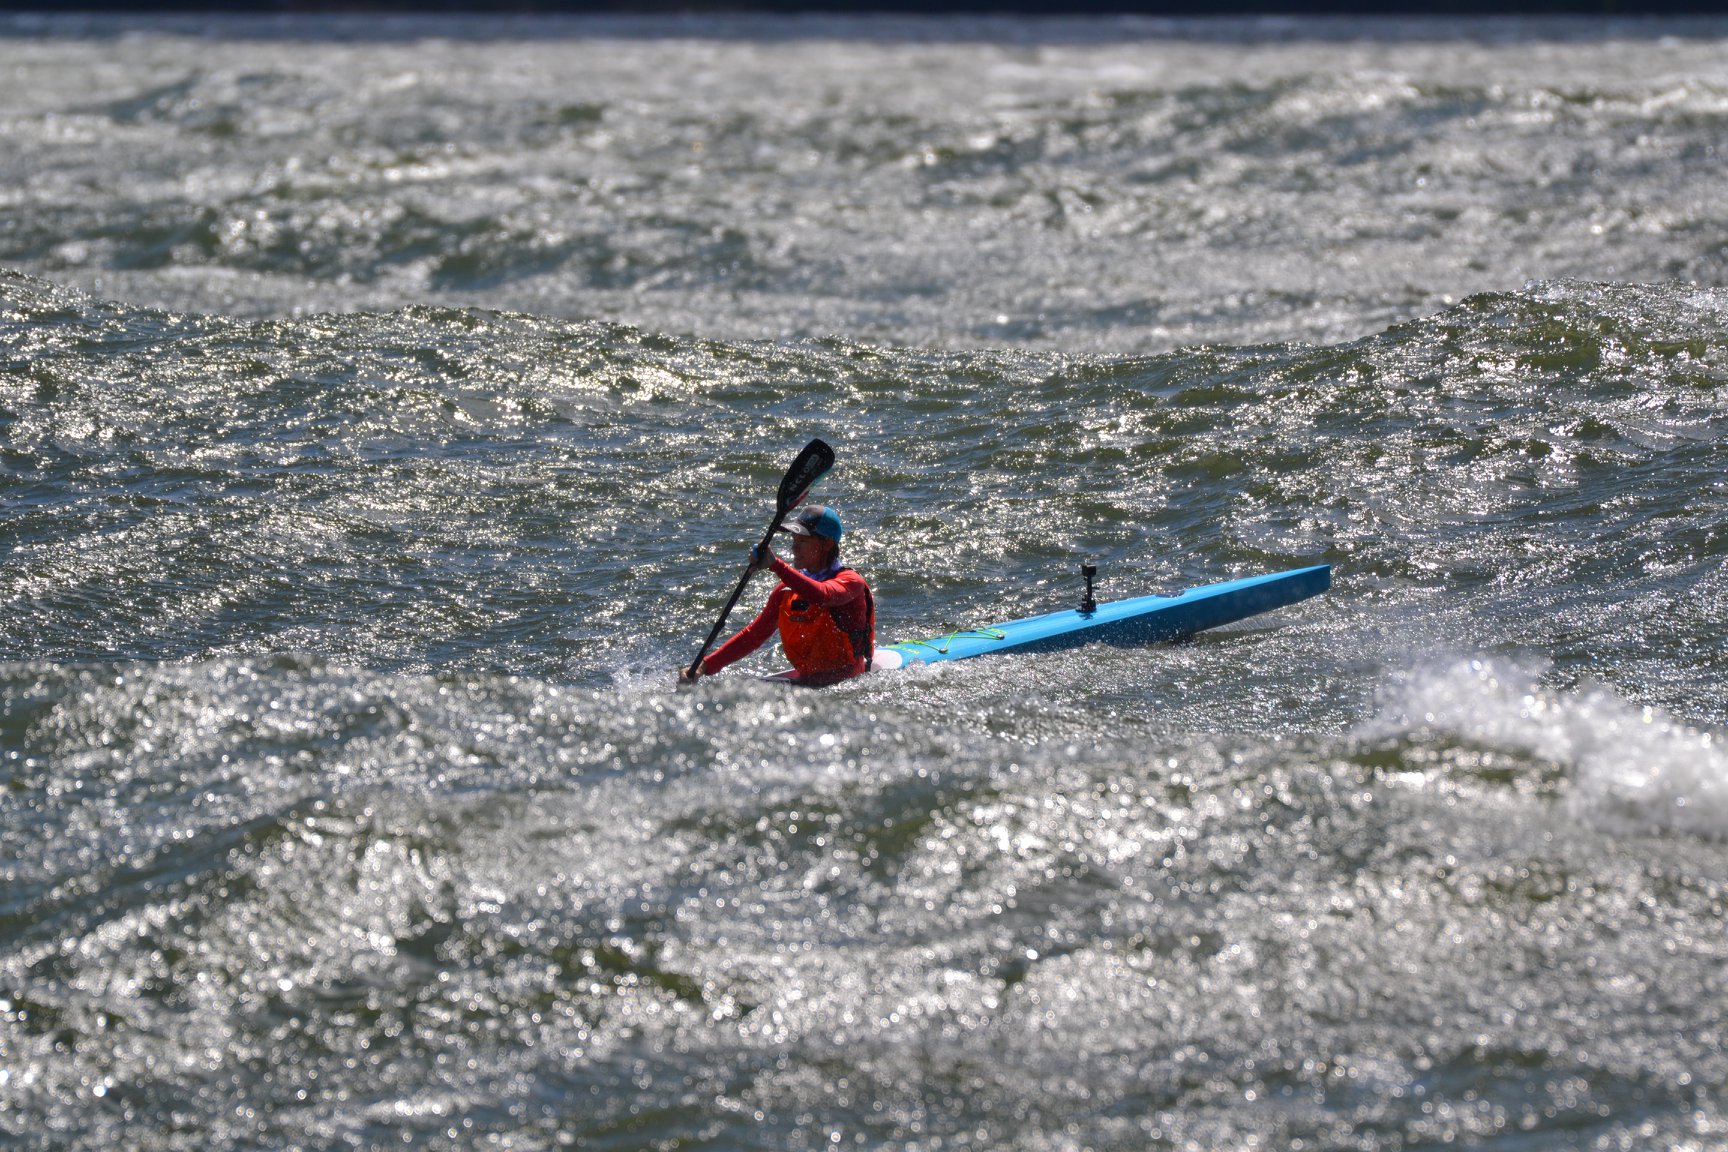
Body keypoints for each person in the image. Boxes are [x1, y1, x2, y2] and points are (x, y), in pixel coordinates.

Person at [680, 504, 875, 686]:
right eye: (794, 540)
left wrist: (775, 565)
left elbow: (823, 596)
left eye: (803, 541)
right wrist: (705, 666)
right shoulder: (786, 591)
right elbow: (754, 636)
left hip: (848, 684)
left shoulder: (851, 582)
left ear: (827, 544)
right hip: (807, 681)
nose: (794, 548)